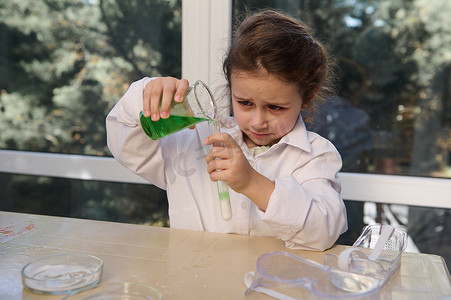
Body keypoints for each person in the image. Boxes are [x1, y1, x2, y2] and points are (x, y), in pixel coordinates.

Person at [106, 10, 347, 251]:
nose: (258, 121)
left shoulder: (316, 156)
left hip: (272, 286)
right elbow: (124, 144)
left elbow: (323, 231)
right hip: (193, 284)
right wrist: (145, 94)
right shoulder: (195, 138)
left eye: (275, 107)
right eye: (245, 103)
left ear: (307, 97)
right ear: (231, 88)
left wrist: (252, 182)